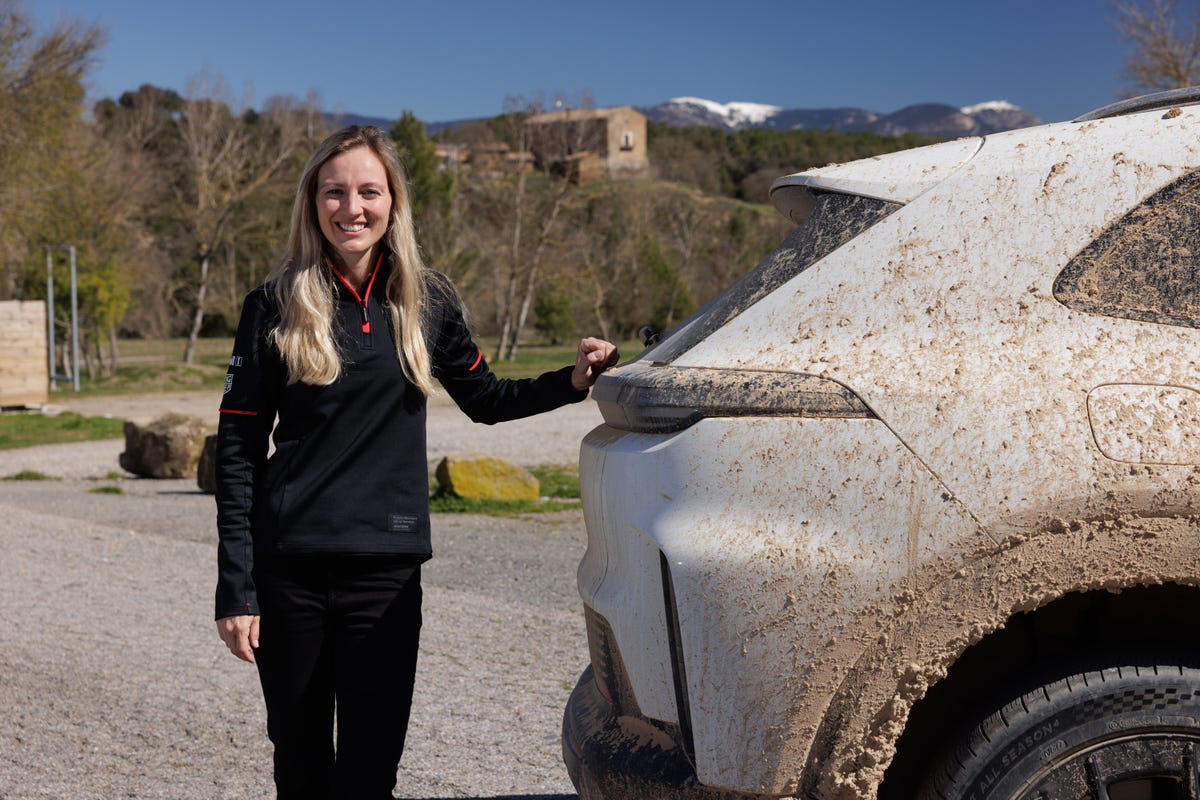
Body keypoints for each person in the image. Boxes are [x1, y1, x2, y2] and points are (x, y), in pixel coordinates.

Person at [213, 124, 617, 800]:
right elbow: (238, 452)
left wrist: (571, 381)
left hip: (386, 573)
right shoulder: (274, 303)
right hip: (291, 574)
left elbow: (486, 398)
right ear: (312, 203)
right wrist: (237, 586)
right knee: (302, 767)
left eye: (369, 191)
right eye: (335, 192)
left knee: (372, 771)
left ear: (393, 202)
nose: (352, 208)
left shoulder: (427, 301)